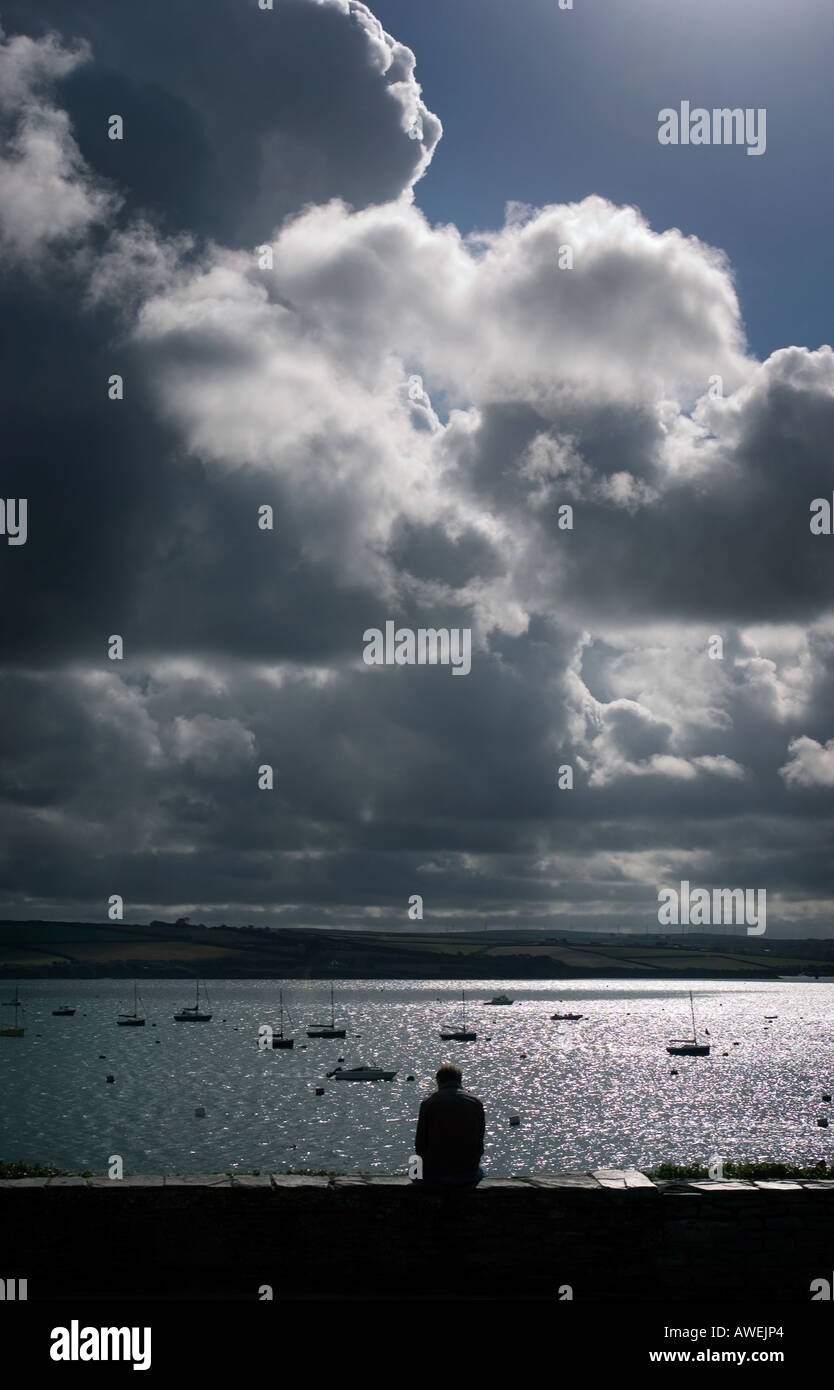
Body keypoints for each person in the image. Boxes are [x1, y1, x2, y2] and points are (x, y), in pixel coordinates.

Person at [413, 1063, 485, 1187]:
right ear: (459, 1080)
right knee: (481, 1172)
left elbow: (420, 1145)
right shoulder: (475, 1102)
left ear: (438, 1081)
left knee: (414, 1169)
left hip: (435, 1173)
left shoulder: (428, 1103)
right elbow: (479, 1144)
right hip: (466, 1173)